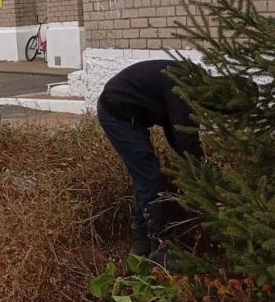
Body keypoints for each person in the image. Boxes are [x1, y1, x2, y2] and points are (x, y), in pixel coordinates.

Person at [97, 58, 257, 261]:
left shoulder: (197, 82)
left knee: (147, 176)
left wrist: (197, 166)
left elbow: (175, 132)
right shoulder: (187, 89)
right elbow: (185, 138)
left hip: (131, 112)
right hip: (117, 114)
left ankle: (140, 246)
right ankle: (159, 246)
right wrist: (204, 174)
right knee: (150, 177)